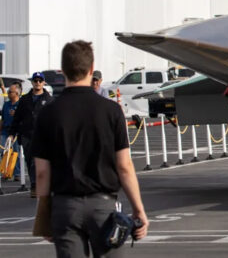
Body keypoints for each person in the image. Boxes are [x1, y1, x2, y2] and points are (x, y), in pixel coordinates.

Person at [32, 40, 148, 254]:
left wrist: (45, 216)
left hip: (65, 207)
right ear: (91, 70)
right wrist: (138, 209)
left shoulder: (48, 114)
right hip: (103, 206)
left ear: (63, 70)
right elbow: (124, 166)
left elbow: (41, 173)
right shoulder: (112, 111)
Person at [12, 72, 53, 196]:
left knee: (40, 160)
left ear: (44, 82)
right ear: (32, 82)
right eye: (35, 80)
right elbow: (17, 117)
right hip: (27, 134)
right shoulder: (25, 99)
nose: (38, 83)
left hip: (43, 135)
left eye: (40, 80)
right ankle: (34, 184)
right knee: (30, 160)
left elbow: (53, 118)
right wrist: (12, 133)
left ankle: (42, 184)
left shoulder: (48, 99)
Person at [0, 83, 22, 178]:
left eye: (10, 92)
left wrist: (17, 114)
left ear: (17, 93)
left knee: (15, 152)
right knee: (3, 152)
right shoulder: (6, 104)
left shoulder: (21, 104)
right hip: (5, 130)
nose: (8, 93)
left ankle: (17, 173)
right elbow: (3, 119)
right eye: (8, 92)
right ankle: (5, 172)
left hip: (16, 132)